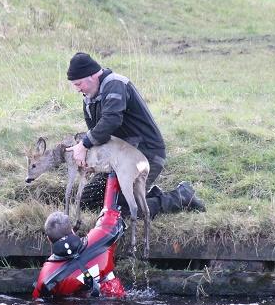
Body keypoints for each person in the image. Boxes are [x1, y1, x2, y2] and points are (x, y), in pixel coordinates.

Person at [65, 52, 206, 217]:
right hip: (118, 159)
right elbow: (99, 134)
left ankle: (182, 196)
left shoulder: (115, 84)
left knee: (121, 209)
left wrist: (84, 145)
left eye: (78, 83)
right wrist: (92, 160)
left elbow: (111, 121)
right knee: (88, 201)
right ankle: (149, 196)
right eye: (74, 85)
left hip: (146, 154)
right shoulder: (89, 97)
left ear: (93, 75)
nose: (77, 89)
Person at [33, 173, 126, 299]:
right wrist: (112, 174)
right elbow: (110, 210)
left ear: (48, 239)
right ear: (72, 230)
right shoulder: (101, 237)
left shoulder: (46, 278)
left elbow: (39, 303)